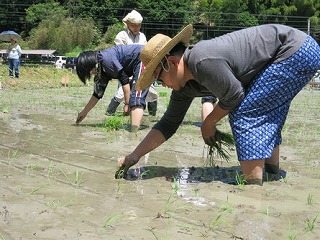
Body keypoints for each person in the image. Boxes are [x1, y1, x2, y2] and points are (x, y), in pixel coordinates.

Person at [118, 24, 320, 185]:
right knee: (264, 112)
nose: (161, 84)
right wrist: (134, 156)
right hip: (297, 51)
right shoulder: (184, 88)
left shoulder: (200, 60)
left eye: (159, 78)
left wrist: (208, 123)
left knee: (245, 113)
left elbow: (234, 95)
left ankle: (253, 187)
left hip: (294, 51)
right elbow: (168, 124)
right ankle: (271, 173)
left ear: (171, 62)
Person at [75, 44, 151, 132]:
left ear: (91, 64)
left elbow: (124, 80)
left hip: (143, 57)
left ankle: (134, 132)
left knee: (137, 97)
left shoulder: (106, 60)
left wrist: (127, 104)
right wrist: (84, 112)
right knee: (133, 99)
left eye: (89, 71)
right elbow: (97, 94)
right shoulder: (100, 69)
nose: (91, 73)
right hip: (137, 61)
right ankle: (134, 127)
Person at [106, 10, 158, 117]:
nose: (136, 28)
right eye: (133, 25)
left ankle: (153, 116)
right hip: (126, 69)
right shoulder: (122, 35)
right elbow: (119, 54)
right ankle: (109, 114)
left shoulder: (142, 36)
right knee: (121, 93)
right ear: (128, 24)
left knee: (152, 92)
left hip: (140, 68)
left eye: (138, 25)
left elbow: (146, 53)